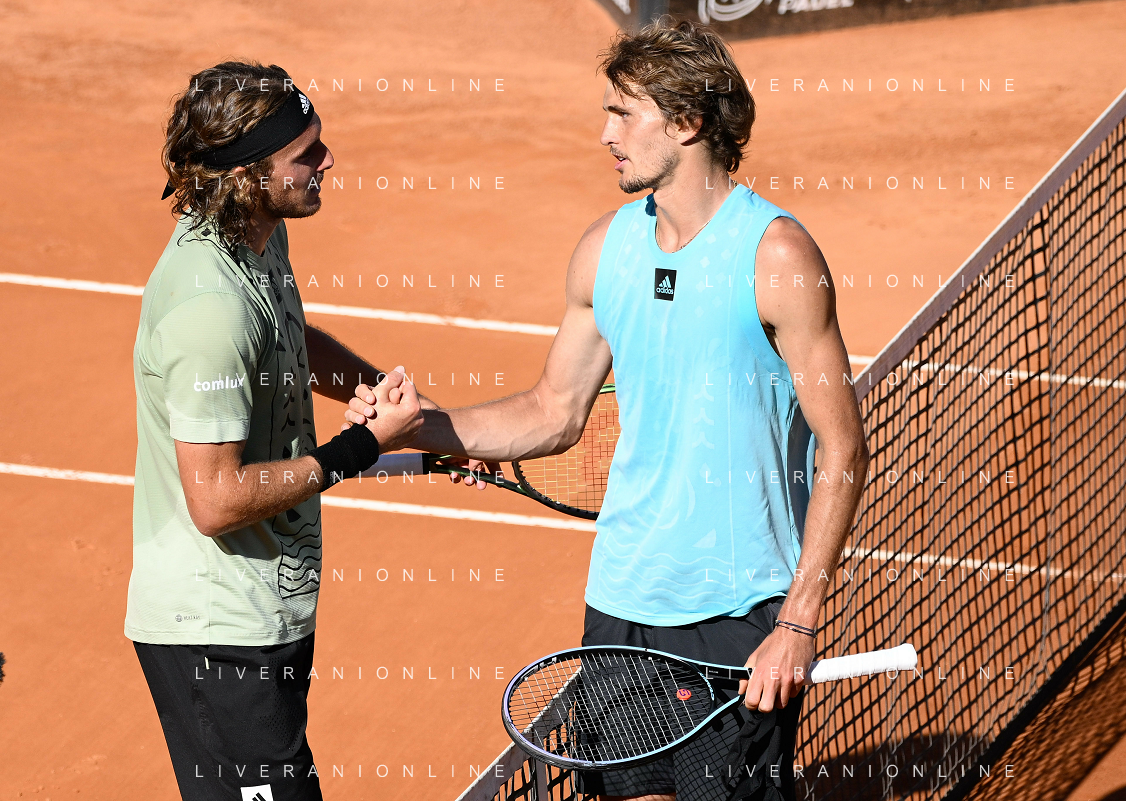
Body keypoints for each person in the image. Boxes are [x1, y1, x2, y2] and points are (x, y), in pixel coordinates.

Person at [345, 19, 869, 801]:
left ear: (686, 121)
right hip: (621, 602)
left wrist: (796, 621)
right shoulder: (605, 250)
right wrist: (423, 423)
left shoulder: (776, 256)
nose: (605, 135)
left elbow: (842, 449)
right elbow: (552, 410)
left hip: (736, 610)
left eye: (623, 114)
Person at [129, 60, 479, 801]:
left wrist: (400, 417)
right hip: (217, 633)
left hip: (266, 609)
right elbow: (216, 499)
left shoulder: (257, 235)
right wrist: (364, 446)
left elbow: (291, 338)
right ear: (248, 175)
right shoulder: (209, 310)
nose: (328, 160)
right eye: (306, 153)